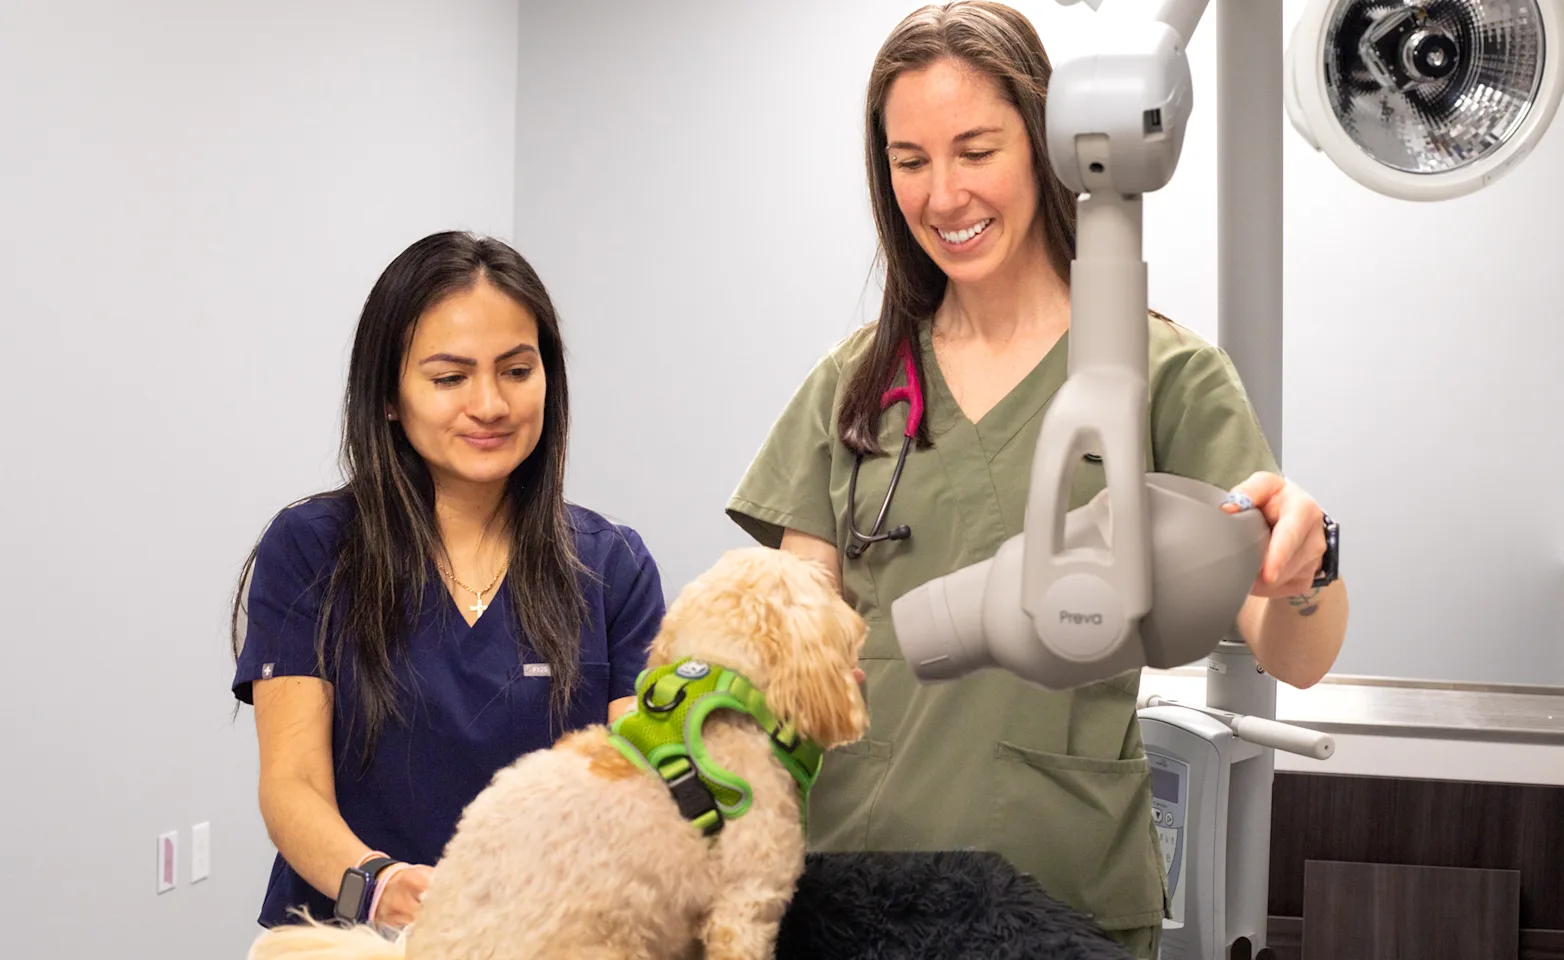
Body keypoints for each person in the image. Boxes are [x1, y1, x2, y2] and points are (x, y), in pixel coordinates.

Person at [724, 4, 1349, 958]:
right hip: (857, 890)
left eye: (976, 150)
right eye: (910, 160)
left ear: (1047, 145)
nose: (942, 195)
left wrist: (1305, 563)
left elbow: (1293, 652)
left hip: (1064, 896)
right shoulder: (855, 386)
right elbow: (791, 641)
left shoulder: (1161, 372)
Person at [229, 231, 665, 932]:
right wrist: (378, 885)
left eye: (517, 371)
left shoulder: (612, 565)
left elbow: (640, 780)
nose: (489, 404)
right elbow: (293, 784)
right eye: (449, 378)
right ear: (390, 398)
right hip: (353, 938)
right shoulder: (312, 549)